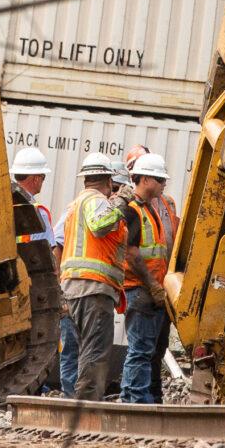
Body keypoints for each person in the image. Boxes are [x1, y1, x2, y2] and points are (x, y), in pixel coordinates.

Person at [58, 152, 134, 401]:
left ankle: (76, 402)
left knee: (82, 350)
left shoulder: (75, 204)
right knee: (96, 350)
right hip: (93, 288)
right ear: (107, 179)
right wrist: (121, 202)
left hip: (75, 289)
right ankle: (86, 407)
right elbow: (100, 225)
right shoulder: (95, 200)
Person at [124, 144, 180, 402]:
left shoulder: (152, 208)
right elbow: (132, 253)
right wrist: (152, 285)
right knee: (140, 350)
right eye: (159, 180)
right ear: (144, 179)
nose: (163, 185)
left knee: (149, 349)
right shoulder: (134, 209)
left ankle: (141, 397)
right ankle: (135, 400)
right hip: (142, 288)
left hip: (153, 288)